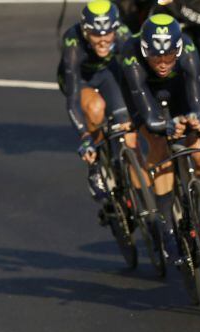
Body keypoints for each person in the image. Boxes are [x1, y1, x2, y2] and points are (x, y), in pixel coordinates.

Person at [121, 13, 200, 263]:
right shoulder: (130, 54)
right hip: (146, 96)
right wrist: (165, 126)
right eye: (157, 57)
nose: (164, 62)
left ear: (177, 49)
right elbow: (148, 115)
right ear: (146, 50)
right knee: (158, 145)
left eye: (169, 56)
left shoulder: (187, 49)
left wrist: (195, 118)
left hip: (180, 92)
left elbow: (198, 101)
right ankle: (167, 229)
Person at [57, 0, 136, 201]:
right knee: (96, 108)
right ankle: (96, 164)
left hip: (107, 74)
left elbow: (136, 76)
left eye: (107, 33)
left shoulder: (123, 35)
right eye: (96, 34)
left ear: (116, 29)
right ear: (85, 32)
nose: (102, 40)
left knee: (126, 127)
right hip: (80, 80)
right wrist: (84, 137)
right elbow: (73, 98)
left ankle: (122, 167)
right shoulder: (73, 42)